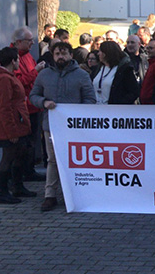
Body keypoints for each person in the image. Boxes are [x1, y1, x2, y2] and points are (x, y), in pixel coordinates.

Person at [29, 42, 96, 211]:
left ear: (71, 55)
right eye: (57, 53)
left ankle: (75, 194)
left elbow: (90, 99)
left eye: (64, 53)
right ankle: (50, 195)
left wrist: (78, 113)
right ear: (52, 55)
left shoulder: (81, 75)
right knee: (52, 160)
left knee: (75, 160)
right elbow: (33, 95)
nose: (61, 56)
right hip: (51, 125)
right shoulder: (44, 75)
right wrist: (44, 102)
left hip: (74, 127)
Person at [0, 47, 36, 204]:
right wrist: (11, 132)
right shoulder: (3, 79)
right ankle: (2, 193)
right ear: (12, 61)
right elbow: (5, 108)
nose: (19, 62)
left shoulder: (7, 77)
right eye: (17, 59)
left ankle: (17, 187)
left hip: (16, 124)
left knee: (19, 154)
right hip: (9, 127)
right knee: (8, 157)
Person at [11, 27, 46, 182]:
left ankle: (29, 170)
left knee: (32, 140)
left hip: (32, 105)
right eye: (29, 40)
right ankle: (21, 174)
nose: (33, 43)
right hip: (24, 108)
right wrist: (36, 70)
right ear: (19, 42)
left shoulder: (27, 55)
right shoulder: (13, 57)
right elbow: (20, 82)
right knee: (24, 142)